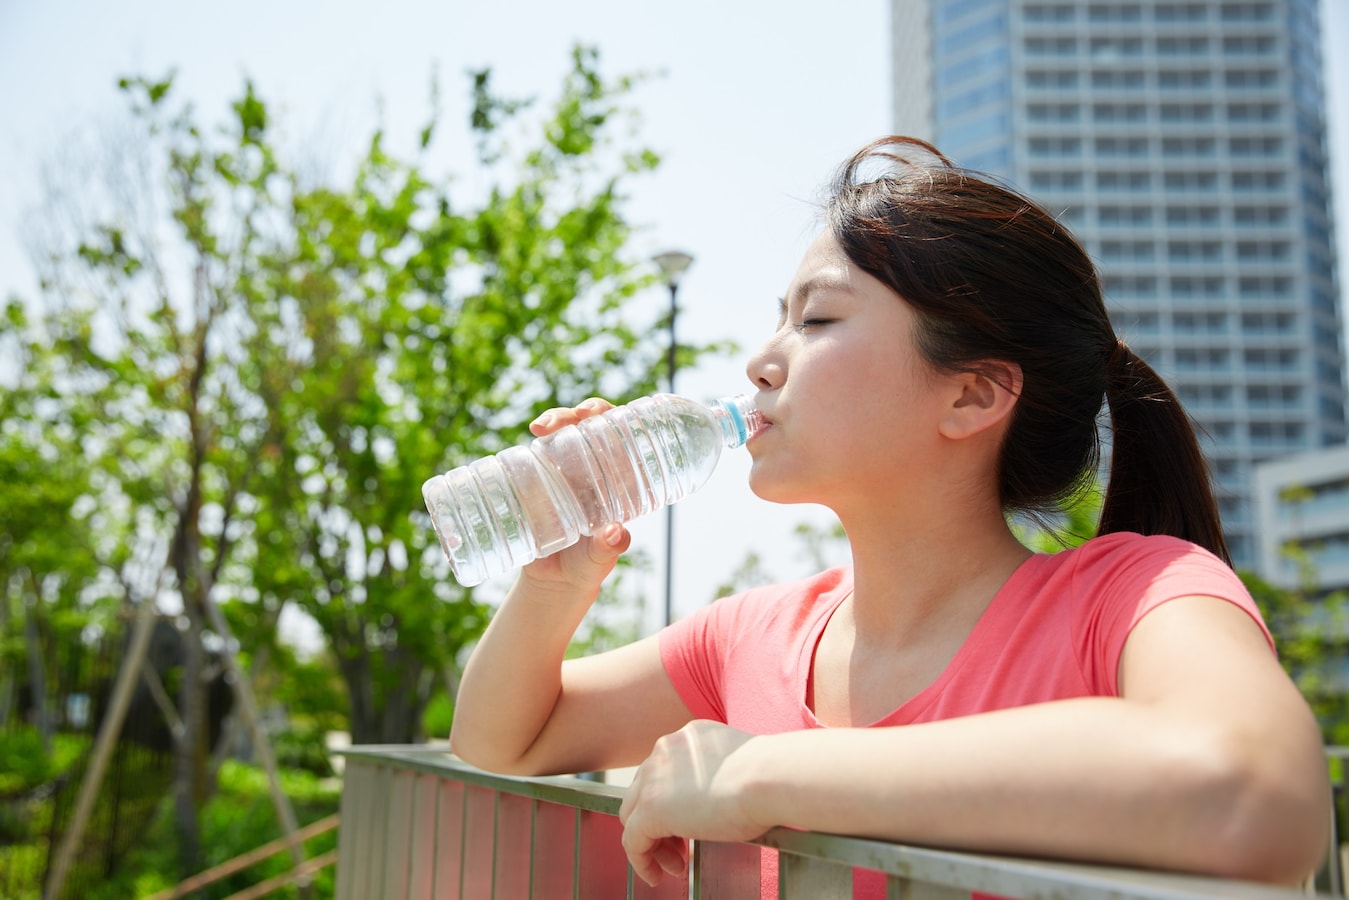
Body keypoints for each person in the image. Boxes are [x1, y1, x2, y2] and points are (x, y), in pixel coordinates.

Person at [447, 136, 1330, 896]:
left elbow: (1256, 796)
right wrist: (553, 584)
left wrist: (760, 773)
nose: (760, 362)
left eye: (818, 318)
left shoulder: (1134, 594)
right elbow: (501, 744)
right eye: (776, 322)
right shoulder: (751, 637)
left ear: (973, 394)